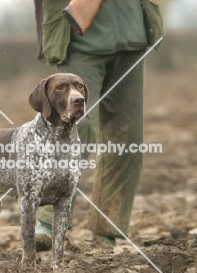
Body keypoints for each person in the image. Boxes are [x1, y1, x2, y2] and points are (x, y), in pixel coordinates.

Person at [33, 0, 163, 249]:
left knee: (127, 139)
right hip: (81, 39)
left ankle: (107, 229)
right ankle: (49, 224)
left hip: (132, 34)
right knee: (74, 126)